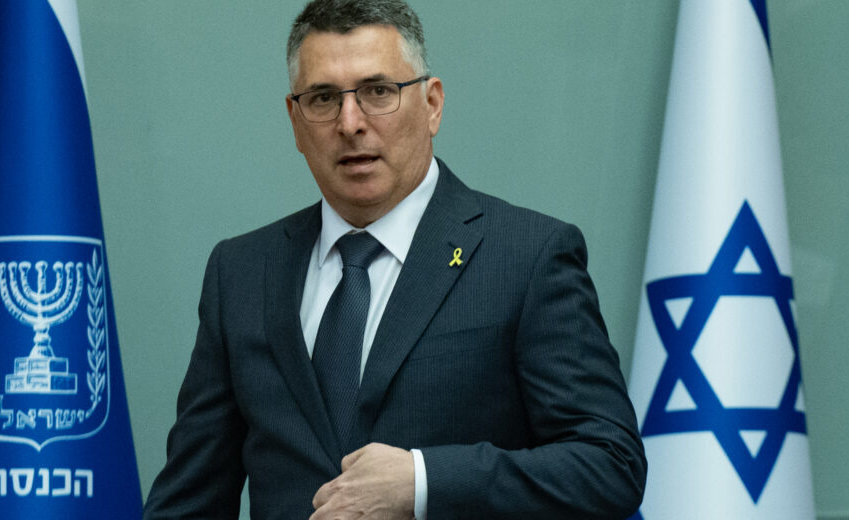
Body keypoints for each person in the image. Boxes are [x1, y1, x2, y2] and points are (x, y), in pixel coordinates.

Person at [143, 1, 646, 518]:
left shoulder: (526, 256)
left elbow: (610, 464)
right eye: (323, 98)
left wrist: (424, 482)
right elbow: (189, 500)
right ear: (295, 121)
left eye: (378, 91)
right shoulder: (242, 272)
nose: (350, 123)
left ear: (432, 104)